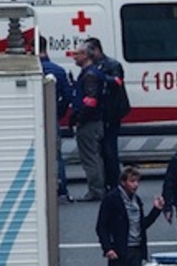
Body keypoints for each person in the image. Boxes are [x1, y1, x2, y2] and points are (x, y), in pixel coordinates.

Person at [95, 167, 164, 266]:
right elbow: (101, 226)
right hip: (119, 251)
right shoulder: (112, 199)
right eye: (132, 181)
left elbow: (141, 225)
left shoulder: (136, 200)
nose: (136, 185)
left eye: (137, 181)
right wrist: (108, 248)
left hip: (136, 250)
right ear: (123, 182)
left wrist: (156, 210)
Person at [84, 37, 129, 192]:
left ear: (96, 50)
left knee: (110, 149)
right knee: (102, 150)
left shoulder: (112, 65)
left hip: (111, 112)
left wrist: (100, 77)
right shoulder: (95, 66)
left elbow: (117, 82)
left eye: (89, 51)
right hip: (101, 113)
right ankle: (107, 182)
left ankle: (114, 183)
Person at [70, 43, 106, 201]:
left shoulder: (89, 75)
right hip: (93, 120)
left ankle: (96, 190)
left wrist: (79, 118)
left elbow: (91, 101)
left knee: (90, 157)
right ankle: (98, 188)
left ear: (85, 55)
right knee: (95, 156)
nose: (74, 57)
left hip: (89, 123)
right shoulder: (92, 73)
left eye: (77, 54)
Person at [39, 37, 73, 201]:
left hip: (34, 118)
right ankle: (61, 189)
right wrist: (57, 113)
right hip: (52, 118)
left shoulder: (33, 70)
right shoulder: (58, 70)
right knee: (56, 155)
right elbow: (67, 96)